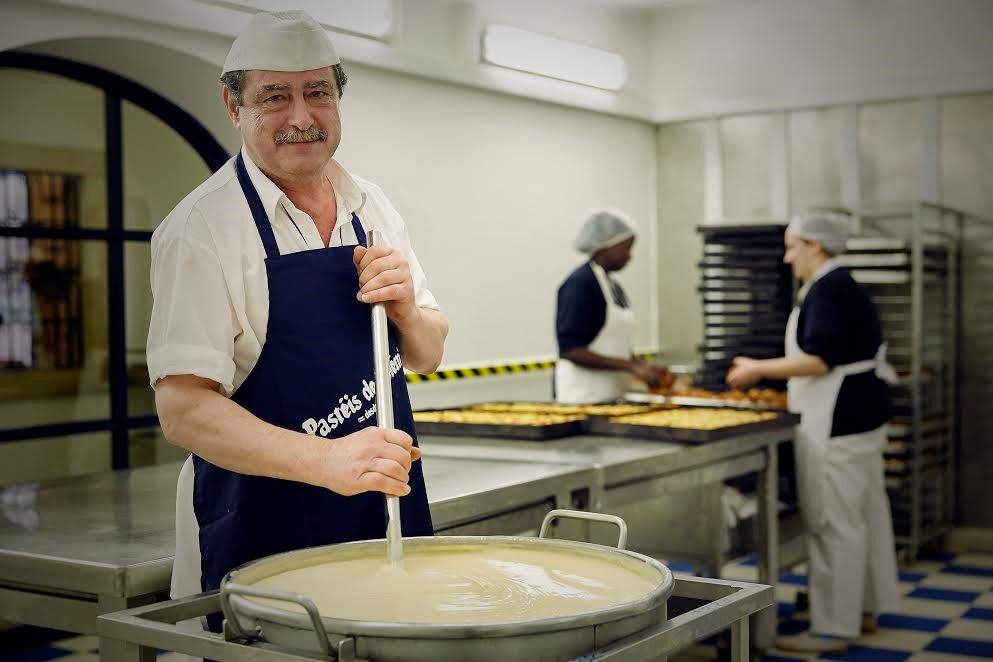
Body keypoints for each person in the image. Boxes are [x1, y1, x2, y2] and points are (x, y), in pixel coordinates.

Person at [146, 10, 448, 633]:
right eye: (274, 97)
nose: (301, 117)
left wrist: (406, 312)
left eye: (318, 93)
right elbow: (184, 411)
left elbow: (427, 353)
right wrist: (330, 463)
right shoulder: (202, 231)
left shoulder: (372, 206)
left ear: (339, 101)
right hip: (261, 517)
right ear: (234, 107)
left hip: (378, 504)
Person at [726, 212, 899, 653]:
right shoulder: (841, 286)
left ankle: (834, 629)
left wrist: (756, 369)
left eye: (792, 246)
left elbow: (820, 360)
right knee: (862, 516)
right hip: (860, 418)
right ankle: (862, 610)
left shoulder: (827, 290)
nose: (787, 258)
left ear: (815, 246)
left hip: (837, 421)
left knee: (832, 522)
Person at [554, 208, 670, 404]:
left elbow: (615, 345)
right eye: (626, 248)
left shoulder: (612, 286)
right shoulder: (580, 284)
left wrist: (643, 365)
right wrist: (630, 367)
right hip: (583, 397)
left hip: (612, 395)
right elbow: (571, 349)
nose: (630, 256)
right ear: (605, 246)